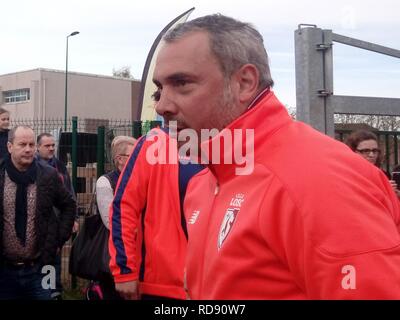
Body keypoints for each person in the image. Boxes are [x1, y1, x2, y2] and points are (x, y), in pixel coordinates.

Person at [153, 14, 400, 299]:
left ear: (244, 83)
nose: (162, 105)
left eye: (182, 83)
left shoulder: (317, 180)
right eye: (159, 90)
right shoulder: (204, 182)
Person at [109, 128, 203, 300]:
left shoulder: (223, 141)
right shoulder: (153, 144)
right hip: (164, 285)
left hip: (215, 283)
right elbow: (124, 205)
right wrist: (124, 270)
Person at [0, 126, 76, 299]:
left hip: (39, 269)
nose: (28, 149)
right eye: (22, 144)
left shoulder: (48, 175)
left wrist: (57, 239)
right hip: (4, 271)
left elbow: (68, 205)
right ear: (10, 147)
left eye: (31, 144)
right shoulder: (1, 174)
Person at [36, 132, 78, 300]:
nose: (51, 148)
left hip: (58, 221)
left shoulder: (59, 166)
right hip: (40, 223)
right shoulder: (33, 167)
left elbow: (69, 191)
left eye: (53, 145)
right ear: (38, 147)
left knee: (54, 259)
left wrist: (73, 217)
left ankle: (54, 292)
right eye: (47, 146)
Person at [94, 135, 136, 299]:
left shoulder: (139, 178)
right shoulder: (106, 182)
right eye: (133, 156)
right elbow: (110, 221)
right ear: (120, 159)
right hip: (115, 250)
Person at [345, 129, 399, 196]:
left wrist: (395, 195)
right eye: (365, 151)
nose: (371, 155)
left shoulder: (382, 174)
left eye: (375, 150)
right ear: (353, 151)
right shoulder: (346, 175)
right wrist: (383, 191)